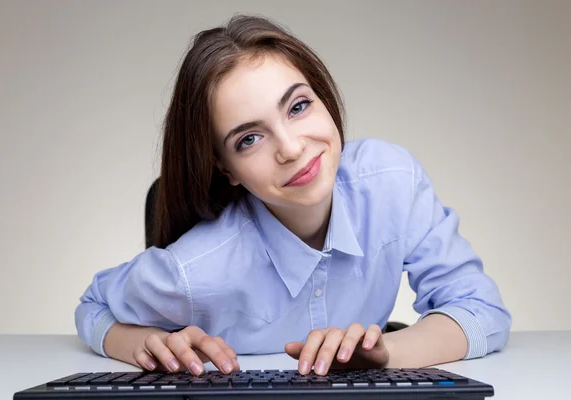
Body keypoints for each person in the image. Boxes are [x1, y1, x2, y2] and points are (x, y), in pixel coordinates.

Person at [75, 14, 511, 377]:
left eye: (298, 106)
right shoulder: (196, 269)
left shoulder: (391, 183)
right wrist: (145, 344)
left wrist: (388, 355)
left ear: (322, 96)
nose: (291, 147)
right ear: (225, 168)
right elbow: (94, 307)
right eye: (249, 139)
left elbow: (481, 309)